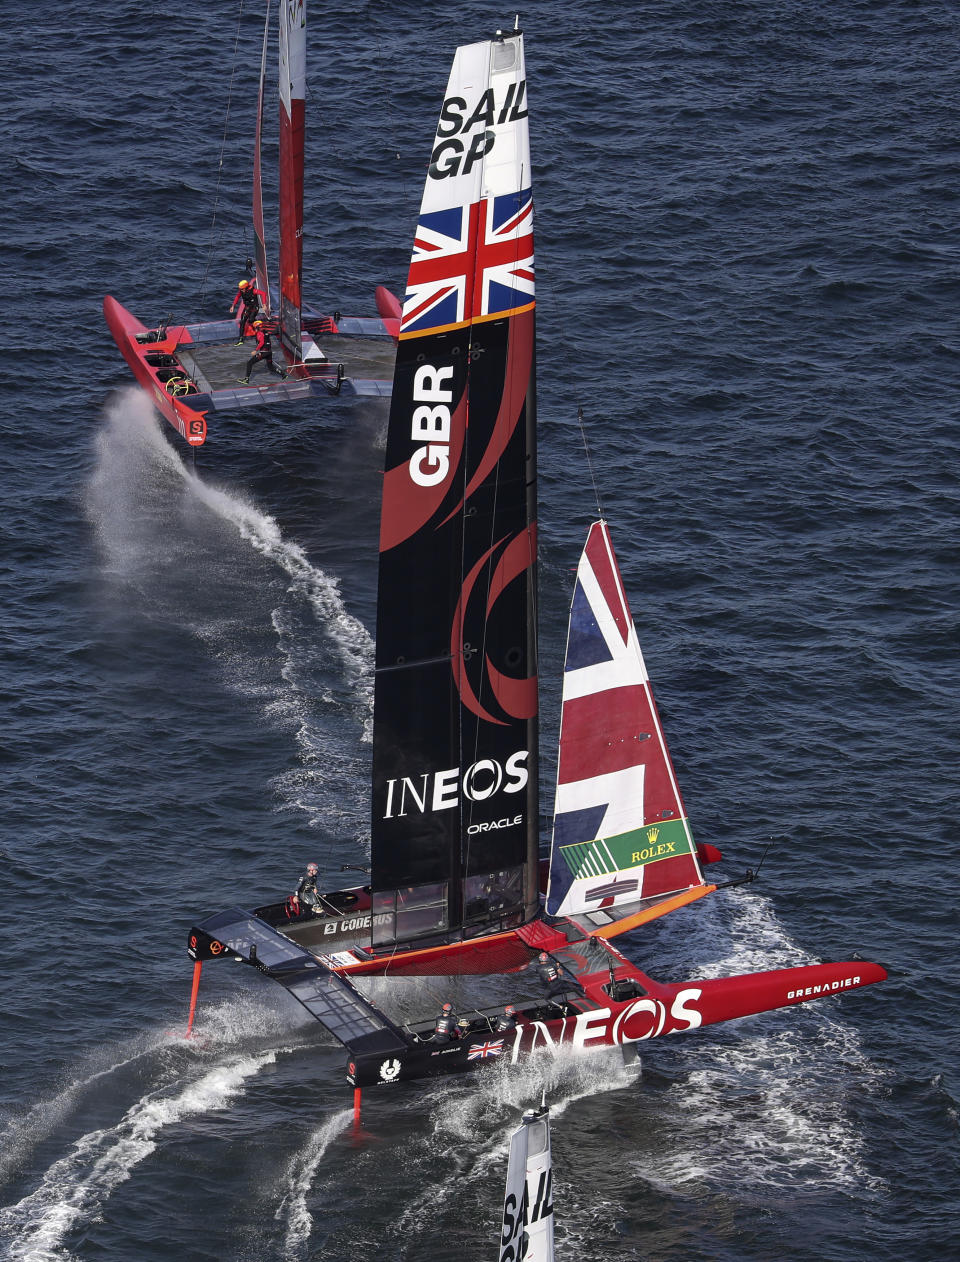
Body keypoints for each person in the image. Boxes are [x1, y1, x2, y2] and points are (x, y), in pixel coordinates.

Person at [238, 319, 285, 384]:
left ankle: (246, 379)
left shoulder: (259, 333)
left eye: (254, 328)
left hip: (264, 353)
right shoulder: (265, 332)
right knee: (270, 367)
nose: (254, 329)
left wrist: (256, 350)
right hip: (269, 352)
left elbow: (262, 342)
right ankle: (283, 374)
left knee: (249, 363)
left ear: (256, 327)